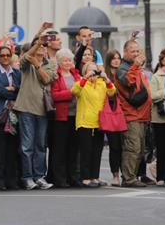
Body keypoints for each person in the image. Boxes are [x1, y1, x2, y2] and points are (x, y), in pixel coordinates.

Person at [13, 23, 55, 190]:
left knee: (40, 146)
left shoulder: (50, 64)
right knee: (26, 145)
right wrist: (39, 35)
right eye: (40, 45)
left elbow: (46, 79)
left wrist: (37, 65)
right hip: (26, 108)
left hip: (43, 110)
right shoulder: (25, 62)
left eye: (45, 46)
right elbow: (26, 55)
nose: (43, 48)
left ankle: (39, 177)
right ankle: (27, 177)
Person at [115, 38, 151, 187]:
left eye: (137, 51)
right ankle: (129, 178)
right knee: (132, 148)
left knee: (140, 149)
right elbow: (127, 82)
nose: (136, 54)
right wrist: (136, 66)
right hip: (131, 115)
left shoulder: (133, 67)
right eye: (132, 51)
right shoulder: (123, 68)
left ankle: (132, 176)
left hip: (141, 115)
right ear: (125, 52)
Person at [73, 61, 116, 187]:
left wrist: (106, 78)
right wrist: (85, 78)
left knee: (97, 151)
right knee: (86, 150)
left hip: (99, 122)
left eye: (95, 70)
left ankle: (95, 176)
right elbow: (75, 91)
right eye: (90, 70)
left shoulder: (101, 84)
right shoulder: (82, 83)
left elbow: (112, 92)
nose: (93, 73)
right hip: (85, 122)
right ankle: (85, 177)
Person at [0, 44, 21, 191]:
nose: (5, 58)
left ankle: (11, 180)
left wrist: (13, 89)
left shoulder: (17, 73)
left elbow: (21, 90)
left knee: (13, 149)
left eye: (8, 55)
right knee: (0, 148)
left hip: (14, 115)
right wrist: (12, 91)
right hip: (0, 114)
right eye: (2, 56)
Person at [50, 48, 80, 188]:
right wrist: (70, 93)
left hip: (76, 116)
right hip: (61, 117)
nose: (68, 63)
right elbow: (54, 95)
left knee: (73, 149)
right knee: (60, 149)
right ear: (59, 62)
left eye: (70, 60)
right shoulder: (56, 76)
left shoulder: (76, 75)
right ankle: (60, 178)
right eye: (65, 60)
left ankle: (72, 177)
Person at [149, 48, 165, 185]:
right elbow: (153, 96)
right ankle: (161, 177)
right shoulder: (156, 77)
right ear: (162, 60)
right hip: (160, 117)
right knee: (162, 148)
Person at [103, 49, 123, 186]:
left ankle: (126, 173)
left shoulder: (123, 73)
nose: (116, 60)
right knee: (115, 146)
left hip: (124, 112)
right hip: (111, 112)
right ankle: (115, 174)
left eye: (118, 58)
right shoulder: (106, 76)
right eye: (113, 58)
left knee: (124, 146)